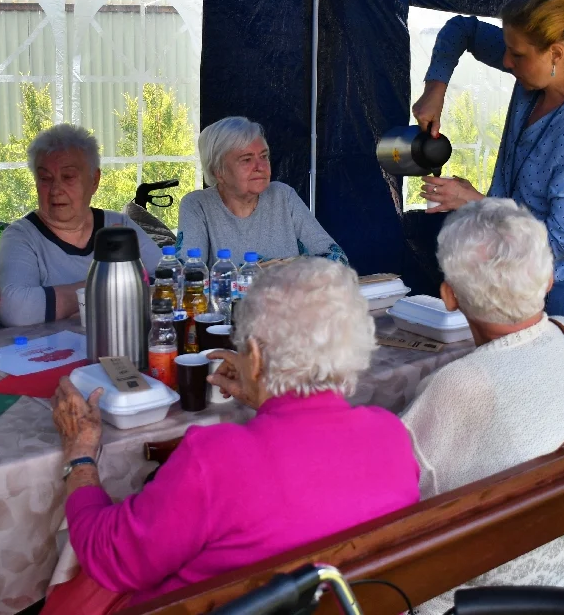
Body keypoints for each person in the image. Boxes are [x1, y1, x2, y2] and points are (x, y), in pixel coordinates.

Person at [47, 258, 419, 609]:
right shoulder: (393, 436)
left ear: (254, 357)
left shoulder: (215, 459)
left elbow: (110, 556)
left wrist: (79, 459)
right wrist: (265, 395)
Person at [401, 198, 564, 611]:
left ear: (449, 296)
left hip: (458, 601)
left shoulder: (459, 387)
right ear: (549, 279)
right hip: (555, 579)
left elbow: (389, 490)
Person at [415, 0, 564, 320]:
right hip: (502, 266)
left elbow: (561, 246)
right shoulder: (533, 73)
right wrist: (435, 91)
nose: (506, 61)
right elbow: (462, 29)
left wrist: (475, 202)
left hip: (547, 289)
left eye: (517, 55)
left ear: (556, 53)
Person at [0, 125, 161, 327]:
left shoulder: (118, 227)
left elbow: (169, 280)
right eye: (45, 179)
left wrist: (67, 305)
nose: (56, 189)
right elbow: (16, 310)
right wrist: (110, 288)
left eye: (68, 177)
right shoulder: (20, 237)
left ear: (94, 181)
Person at [176, 116, 346, 266]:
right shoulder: (197, 205)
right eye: (247, 159)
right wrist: (253, 274)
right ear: (218, 171)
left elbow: (336, 259)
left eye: (264, 156)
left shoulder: (283, 196)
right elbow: (188, 276)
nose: (261, 167)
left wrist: (284, 270)